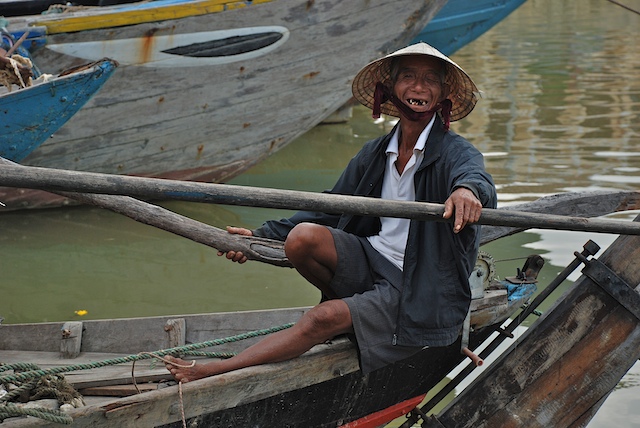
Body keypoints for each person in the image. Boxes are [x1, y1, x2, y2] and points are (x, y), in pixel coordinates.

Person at [165, 42, 497, 382]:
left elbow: (476, 178)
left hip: (417, 285)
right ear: (390, 89)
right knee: (302, 238)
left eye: (430, 79)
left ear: (443, 94)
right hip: (373, 260)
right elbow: (329, 206)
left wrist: (467, 192)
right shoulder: (377, 152)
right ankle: (354, 312)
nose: (418, 87)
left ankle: (216, 369)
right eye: (408, 76)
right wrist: (259, 238)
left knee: (320, 319)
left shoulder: (455, 152)